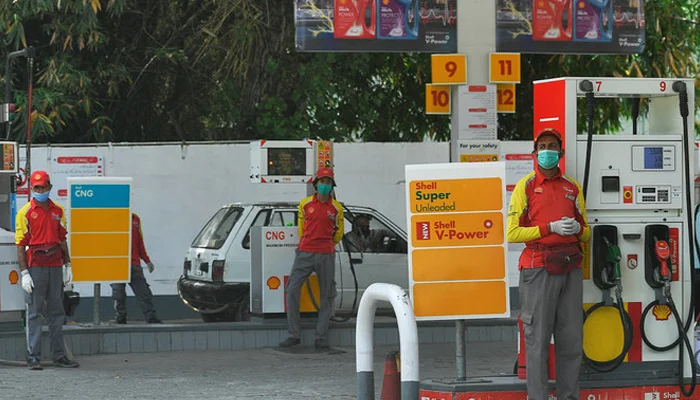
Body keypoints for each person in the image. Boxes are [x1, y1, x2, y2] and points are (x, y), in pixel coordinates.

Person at [506, 129, 590, 400]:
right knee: (537, 342)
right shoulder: (526, 186)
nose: (547, 150)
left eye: (552, 146)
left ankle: (569, 396)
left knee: (571, 341)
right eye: (542, 146)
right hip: (537, 267)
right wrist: (548, 227)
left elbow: (588, 231)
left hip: (570, 267)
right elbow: (512, 233)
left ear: (561, 153)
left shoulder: (572, 187)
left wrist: (578, 227)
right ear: (535, 153)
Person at [16, 170, 80, 370]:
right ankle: (33, 357)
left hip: (55, 265)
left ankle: (59, 356)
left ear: (50, 187)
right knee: (34, 313)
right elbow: (20, 245)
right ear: (32, 189)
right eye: (37, 187)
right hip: (35, 266)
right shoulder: (25, 212)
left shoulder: (58, 210)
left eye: (44, 187)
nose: (40, 190)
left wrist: (68, 264)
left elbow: (62, 239)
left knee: (57, 312)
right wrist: (24, 273)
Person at [279, 167, 344, 350]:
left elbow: (339, 233)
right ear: (316, 184)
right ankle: (294, 334)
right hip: (305, 252)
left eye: (328, 182)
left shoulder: (337, 208)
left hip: (326, 253)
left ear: (332, 186)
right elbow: (301, 228)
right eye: (322, 182)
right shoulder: (305, 204)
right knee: (291, 290)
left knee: (327, 295)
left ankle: (321, 337)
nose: (325, 185)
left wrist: (328, 245)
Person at [111, 213, 162, 324]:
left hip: (134, 264)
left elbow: (139, 242)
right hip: (118, 264)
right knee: (118, 294)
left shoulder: (135, 219)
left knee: (144, 293)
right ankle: (120, 318)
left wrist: (147, 260)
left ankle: (151, 317)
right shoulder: (112, 219)